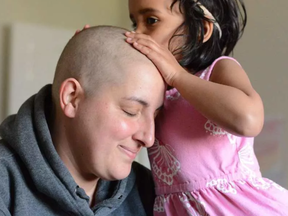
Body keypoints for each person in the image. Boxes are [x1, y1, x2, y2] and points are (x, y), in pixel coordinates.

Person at [125, 0, 288, 215]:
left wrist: (177, 76)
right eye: (135, 24)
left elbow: (248, 119)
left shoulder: (217, 70)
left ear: (201, 29)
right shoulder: (156, 90)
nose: (139, 33)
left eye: (151, 20)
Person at [0, 25, 166, 216]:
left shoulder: (150, 191)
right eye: (131, 111)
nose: (149, 138)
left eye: (155, 115)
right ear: (72, 98)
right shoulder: (5, 186)